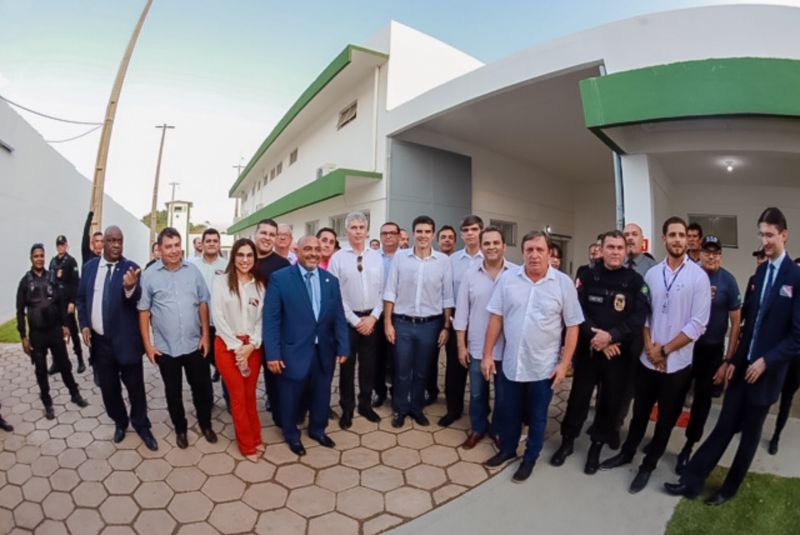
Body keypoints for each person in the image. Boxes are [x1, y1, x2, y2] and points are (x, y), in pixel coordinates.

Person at [666, 207, 800, 505]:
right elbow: (748, 324)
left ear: (784, 235)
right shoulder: (760, 273)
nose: (765, 240)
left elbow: (797, 337)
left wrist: (766, 361)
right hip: (742, 370)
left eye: (770, 234)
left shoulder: (796, 277)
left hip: (767, 375)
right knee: (723, 426)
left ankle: (728, 489)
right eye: (761, 234)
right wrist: (732, 362)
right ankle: (691, 482)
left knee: (749, 437)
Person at [600, 216, 710, 494]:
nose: (677, 240)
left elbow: (698, 324)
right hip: (647, 359)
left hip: (677, 364)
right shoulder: (652, 274)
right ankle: (627, 452)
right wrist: (650, 348)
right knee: (639, 413)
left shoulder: (698, 276)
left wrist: (665, 350)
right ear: (663, 239)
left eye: (681, 235)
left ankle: (648, 465)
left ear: (687, 239)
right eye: (671, 234)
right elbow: (643, 314)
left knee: (665, 419)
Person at [481, 230, 583, 482]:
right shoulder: (508, 280)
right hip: (511, 362)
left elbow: (573, 326)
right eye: (529, 250)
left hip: (543, 368)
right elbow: (496, 317)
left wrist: (564, 364)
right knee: (509, 412)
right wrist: (486, 355)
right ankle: (507, 450)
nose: (534, 255)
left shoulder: (563, 284)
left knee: (537, 417)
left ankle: (529, 458)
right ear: (523, 252)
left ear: (549, 253)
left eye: (540, 250)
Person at [550, 230, 649, 474]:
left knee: (609, 403)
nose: (615, 252)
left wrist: (612, 337)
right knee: (578, 399)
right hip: (590, 352)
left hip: (617, 355)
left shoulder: (635, 282)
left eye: (619, 247)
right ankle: (567, 443)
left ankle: (595, 448)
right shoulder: (588, 276)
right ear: (601, 249)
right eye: (610, 247)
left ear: (626, 251)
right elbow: (577, 310)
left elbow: (639, 317)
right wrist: (598, 338)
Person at [263, 235, 349, 455]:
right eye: (308, 248)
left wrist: (343, 346)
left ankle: (318, 430)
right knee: (290, 397)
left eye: (317, 249)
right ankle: (292, 435)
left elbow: (338, 315)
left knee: (322, 393)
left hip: (324, 351)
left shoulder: (330, 280)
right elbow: (271, 320)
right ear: (298, 251)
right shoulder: (280, 279)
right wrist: (272, 354)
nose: (313, 253)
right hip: (293, 350)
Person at [77, 226, 157, 451]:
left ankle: (141, 425)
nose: (116, 245)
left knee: (136, 389)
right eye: (111, 240)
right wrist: (83, 324)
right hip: (101, 344)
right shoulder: (90, 268)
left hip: (127, 342)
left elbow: (137, 300)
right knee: (109, 390)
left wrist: (130, 288)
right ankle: (120, 422)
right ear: (102, 243)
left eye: (119, 240)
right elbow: (82, 299)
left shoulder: (131, 268)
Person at [138, 227, 217, 449]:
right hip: (166, 348)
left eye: (176, 245)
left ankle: (206, 424)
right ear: (160, 249)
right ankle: (180, 429)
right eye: (168, 246)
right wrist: (148, 346)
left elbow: (203, 302)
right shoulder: (150, 275)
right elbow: (143, 311)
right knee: (173, 393)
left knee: (202, 389)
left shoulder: (193, 271)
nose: (174, 251)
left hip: (194, 344)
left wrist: (206, 337)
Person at [674, 235, 741, 474]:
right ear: (699, 253)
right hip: (685, 347)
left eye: (716, 252)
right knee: (674, 394)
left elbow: (736, 323)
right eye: (707, 251)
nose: (711, 256)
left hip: (711, 352)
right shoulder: (689, 275)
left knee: (701, 403)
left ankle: (688, 447)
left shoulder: (728, 282)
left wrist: (727, 360)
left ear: (720, 254)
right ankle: (661, 437)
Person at [384, 215, 454, 428]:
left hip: (431, 326)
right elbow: (390, 291)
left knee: (423, 370)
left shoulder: (443, 261)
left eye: (427, 232)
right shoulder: (400, 257)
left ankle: (416, 408)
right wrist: (388, 322)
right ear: (414, 233)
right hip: (402, 323)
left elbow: (447, 296)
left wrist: (446, 327)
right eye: (419, 231)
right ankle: (400, 409)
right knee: (402, 369)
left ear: (433, 235)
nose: (423, 235)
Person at [454, 226, 514, 448]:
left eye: (495, 243)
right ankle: (478, 428)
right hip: (477, 347)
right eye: (486, 243)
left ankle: (498, 430)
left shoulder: (516, 273)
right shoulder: (470, 275)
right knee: (478, 393)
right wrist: (461, 346)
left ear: (504, 246)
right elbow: (461, 314)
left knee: (503, 395)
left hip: (507, 348)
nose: (491, 247)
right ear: (481, 246)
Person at [17, 243, 89, 420]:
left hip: (55, 330)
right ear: (31, 258)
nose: (39, 259)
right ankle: (47, 402)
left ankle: (74, 394)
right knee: (41, 370)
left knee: (64, 365)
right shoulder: (25, 281)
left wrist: (65, 326)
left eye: (42, 255)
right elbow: (20, 311)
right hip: (37, 334)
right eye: (36, 256)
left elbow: (61, 303)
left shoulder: (52, 278)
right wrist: (23, 337)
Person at [212, 238, 266, 461]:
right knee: (238, 396)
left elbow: (261, 320)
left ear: (254, 258)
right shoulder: (221, 282)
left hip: (252, 347)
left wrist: (251, 344)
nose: (245, 260)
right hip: (227, 346)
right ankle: (247, 446)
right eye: (240, 255)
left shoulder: (260, 285)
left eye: (249, 255)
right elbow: (218, 317)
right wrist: (237, 348)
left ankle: (256, 438)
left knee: (250, 394)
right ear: (233, 257)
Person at [329, 212, 384, 428]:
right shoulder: (338, 258)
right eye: (353, 227)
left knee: (369, 365)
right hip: (348, 321)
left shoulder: (377, 256)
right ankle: (347, 408)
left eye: (362, 227)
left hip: (372, 319)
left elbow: (384, 290)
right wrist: (353, 320)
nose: (358, 231)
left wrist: (373, 317)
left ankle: (365, 404)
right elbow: (336, 294)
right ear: (347, 230)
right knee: (347, 367)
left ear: (367, 230)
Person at [439, 215, 484, 426]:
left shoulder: (489, 257)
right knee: (454, 369)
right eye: (465, 230)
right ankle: (453, 409)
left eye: (474, 229)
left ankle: (482, 410)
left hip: (482, 319)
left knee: (480, 368)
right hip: (457, 319)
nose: (470, 234)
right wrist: (448, 325)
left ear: (481, 231)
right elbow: (447, 294)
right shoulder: (453, 260)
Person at [253, 218, 291, 423]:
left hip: (273, 332)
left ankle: (279, 417)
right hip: (246, 332)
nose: (267, 238)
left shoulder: (283, 265)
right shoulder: (244, 259)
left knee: (275, 379)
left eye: (271, 234)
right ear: (255, 234)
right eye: (264, 233)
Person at [767, 255, 800, 455]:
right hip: (779, 355)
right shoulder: (785, 297)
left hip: (796, 360)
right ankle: (748, 424)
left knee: (786, 398)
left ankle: (776, 435)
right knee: (768, 393)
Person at [190, 229, 229, 396]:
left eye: (215, 240)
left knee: (226, 367)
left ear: (219, 244)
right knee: (201, 368)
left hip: (223, 326)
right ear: (202, 244)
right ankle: (206, 400)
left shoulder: (228, 265)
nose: (212, 243)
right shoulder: (192, 266)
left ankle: (230, 401)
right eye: (208, 241)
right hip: (199, 326)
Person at [373, 222, 401, 407]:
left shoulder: (407, 257)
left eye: (392, 233)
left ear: (399, 236)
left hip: (399, 314)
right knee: (377, 356)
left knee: (398, 356)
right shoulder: (372, 257)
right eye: (384, 233)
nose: (388, 236)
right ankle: (379, 392)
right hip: (376, 313)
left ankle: (397, 392)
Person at [49, 234, 85, 374]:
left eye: (63, 244)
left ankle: (80, 359)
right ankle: (56, 362)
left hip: (67, 302)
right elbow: (50, 281)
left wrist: (72, 302)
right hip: (55, 303)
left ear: (67, 245)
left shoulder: (71, 261)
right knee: (55, 333)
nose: (60, 247)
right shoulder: (53, 262)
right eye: (58, 245)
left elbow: (76, 284)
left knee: (73, 331)